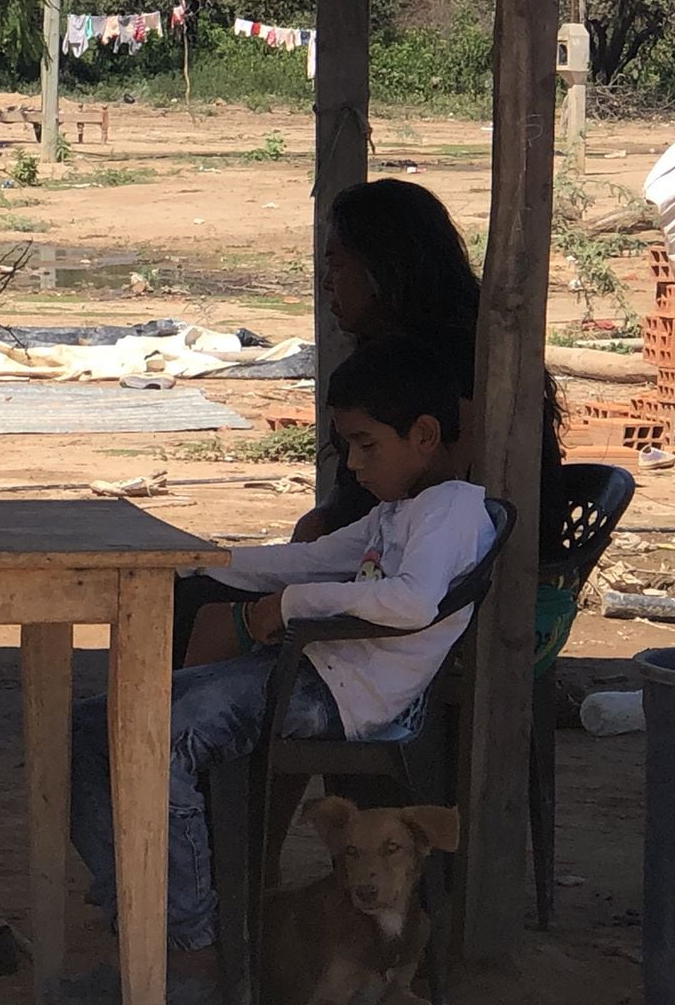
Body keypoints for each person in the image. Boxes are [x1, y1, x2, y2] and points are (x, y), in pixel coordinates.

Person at [69, 337, 497, 1003]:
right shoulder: (398, 513)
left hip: (339, 695)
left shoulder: (453, 510)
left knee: (161, 737)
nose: (353, 465)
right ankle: (143, 921)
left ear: (423, 435)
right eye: (346, 448)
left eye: (365, 445)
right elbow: (308, 559)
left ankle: (191, 955)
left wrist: (285, 607)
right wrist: (191, 561)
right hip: (311, 673)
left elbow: (411, 600)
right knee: (93, 725)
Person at [175, 178, 564, 666]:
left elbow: (436, 497)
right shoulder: (408, 353)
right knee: (197, 584)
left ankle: (179, 727)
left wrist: (303, 575)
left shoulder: (454, 366)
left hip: (443, 583)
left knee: (192, 606)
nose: (326, 283)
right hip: (372, 558)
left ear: (384, 267)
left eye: (337, 265)